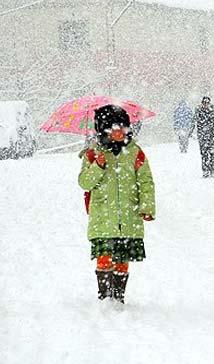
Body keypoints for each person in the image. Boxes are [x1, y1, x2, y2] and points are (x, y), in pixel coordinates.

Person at [78, 105, 156, 304]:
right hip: (103, 218)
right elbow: (84, 182)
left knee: (122, 258)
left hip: (128, 216)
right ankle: (105, 297)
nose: (120, 132)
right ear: (103, 130)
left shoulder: (135, 153)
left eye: (123, 128)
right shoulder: (93, 154)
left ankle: (118, 296)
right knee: (104, 257)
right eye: (114, 128)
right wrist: (98, 165)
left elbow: (146, 181)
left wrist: (146, 207)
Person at [190, 96, 214, 177]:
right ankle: (205, 170)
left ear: (209, 103)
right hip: (202, 135)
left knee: (213, 152)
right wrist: (190, 131)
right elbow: (193, 121)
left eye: (207, 103)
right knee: (204, 153)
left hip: (211, 135)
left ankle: (213, 169)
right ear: (202, 103)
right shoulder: (198, 110)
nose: (206, 105)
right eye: (204, 103)